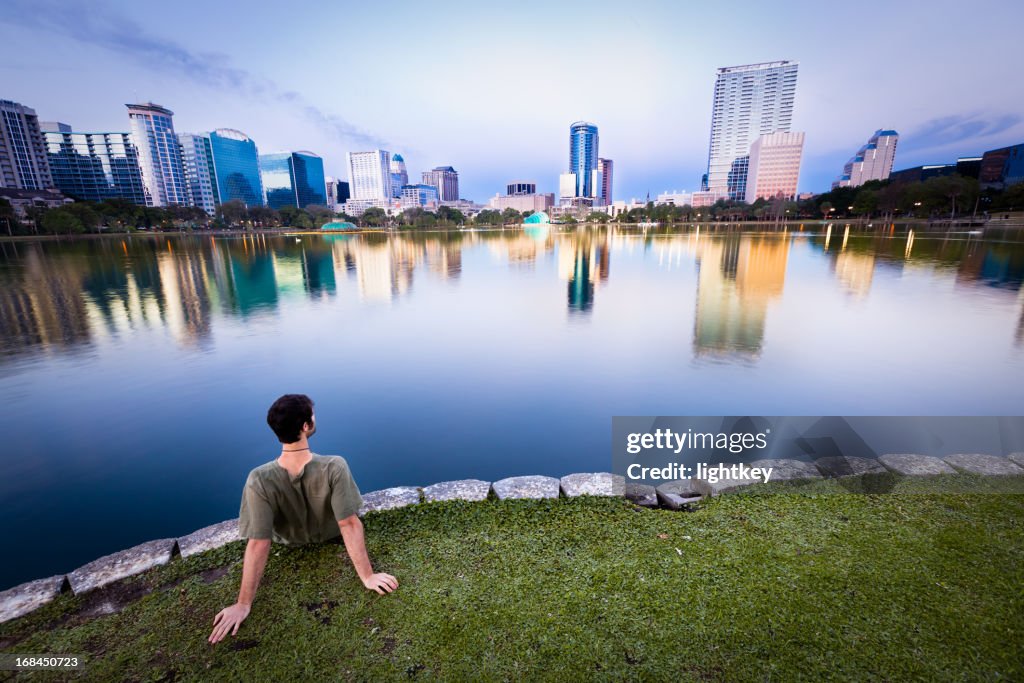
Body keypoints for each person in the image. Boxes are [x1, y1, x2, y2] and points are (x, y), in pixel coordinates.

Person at [209, 394, 398, 644]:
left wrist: (244, 603)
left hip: (288, 541)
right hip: (330, 534)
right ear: (306, 426)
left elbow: (259, 542)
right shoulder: (334, 466)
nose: (314, 418)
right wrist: (367, 576)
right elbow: (348, 523)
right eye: (312, 415)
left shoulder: (258, 478)